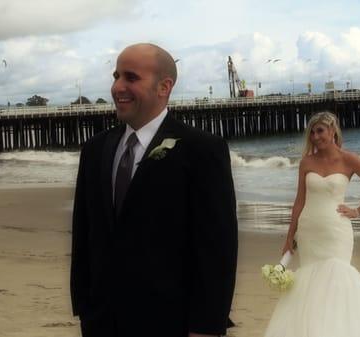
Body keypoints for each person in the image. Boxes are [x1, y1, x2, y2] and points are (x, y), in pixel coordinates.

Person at [70, 43, 238, 337]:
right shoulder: (95, 149)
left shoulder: (202, 150)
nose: (117, 87)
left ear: (164, 86)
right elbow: (84, 232)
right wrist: (84, 305)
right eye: (115, 76)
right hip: (102, 320)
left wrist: (207, 326)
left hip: (170, 320)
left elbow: (217, 247)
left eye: (131, 77)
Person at [264, 111, 360, 337]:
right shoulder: (306, 162)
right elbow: (299, 201)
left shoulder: (348, 159)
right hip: (309, 231)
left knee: (336, 281)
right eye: (312, 132)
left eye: (320, 131)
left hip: (336, 232)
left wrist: (357, 211)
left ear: (333, 131)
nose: (315, 136)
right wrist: (289, 237)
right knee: (311, 286)